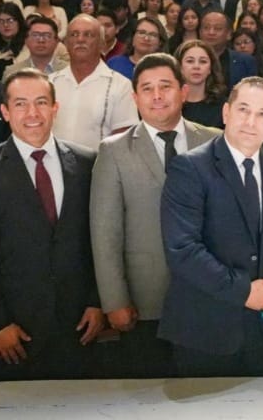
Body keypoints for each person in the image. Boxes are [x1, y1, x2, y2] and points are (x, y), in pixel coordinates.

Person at [0, 69, 102, 380]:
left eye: (41, 102)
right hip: (14, 331)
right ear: (5, 112)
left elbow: (99, 242)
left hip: (80, 325)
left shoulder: (88, 163)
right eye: (20, 104)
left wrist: (97, 301)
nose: (32, 113)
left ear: (55, 108)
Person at [91, 53, 220, 378]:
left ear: (184, 91)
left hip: (208, 296)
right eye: (147, 89)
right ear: (135, 98)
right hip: (143, 301)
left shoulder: (215, 141)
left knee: (204, 391)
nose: (157, 96)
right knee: (148, 393)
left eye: (165, 86)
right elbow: (105, 234)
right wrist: (114, 301)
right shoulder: (114, 150)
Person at [160, 77, 263, 376]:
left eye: (262, 114)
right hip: (206, 329)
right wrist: (243, 291)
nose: (251, 121)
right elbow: (183, 250)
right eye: (243, 109)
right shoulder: (189, 168)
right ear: (226, 113)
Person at [50, 14, 137, 150]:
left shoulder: (121, 85)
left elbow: (123, 139)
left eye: (88, 35)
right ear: (65, 43)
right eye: (74, 34)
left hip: (99, 162)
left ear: (102, 43)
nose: (80, 39)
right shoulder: (49, 83)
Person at [176, 39, 227, 129]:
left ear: (210, 68)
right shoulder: (169, 104)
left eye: (203, 61)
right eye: (190, 61)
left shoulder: (224, 106)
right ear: (180, 67)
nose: (196, 66)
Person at [3, 16, 69, 79]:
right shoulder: (12, 72)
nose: (41, 40)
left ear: (56, 41)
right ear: (26, 40)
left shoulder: (68, 70)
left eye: (47, 36)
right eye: (35, 35)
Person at [0, 2, 27, 80]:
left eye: (10, 20)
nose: (6, 25)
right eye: (1, 21)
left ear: (19, 22)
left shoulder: (28, 45)